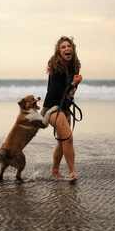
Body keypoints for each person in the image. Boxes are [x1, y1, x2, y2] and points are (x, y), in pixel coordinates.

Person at [41, 36, 83, 183]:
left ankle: (54, 171)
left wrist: (74, 88)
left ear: (73, 49)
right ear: (58, 51)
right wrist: (72, 85)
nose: (67, 49)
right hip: (52, 108)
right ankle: (72, 172)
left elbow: (72, 89)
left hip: (65, 108)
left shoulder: (74, 66)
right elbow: (59, 92)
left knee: (61, 141)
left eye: (69, 46)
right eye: (63, 47)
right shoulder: (55, 67)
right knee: (68, 138)